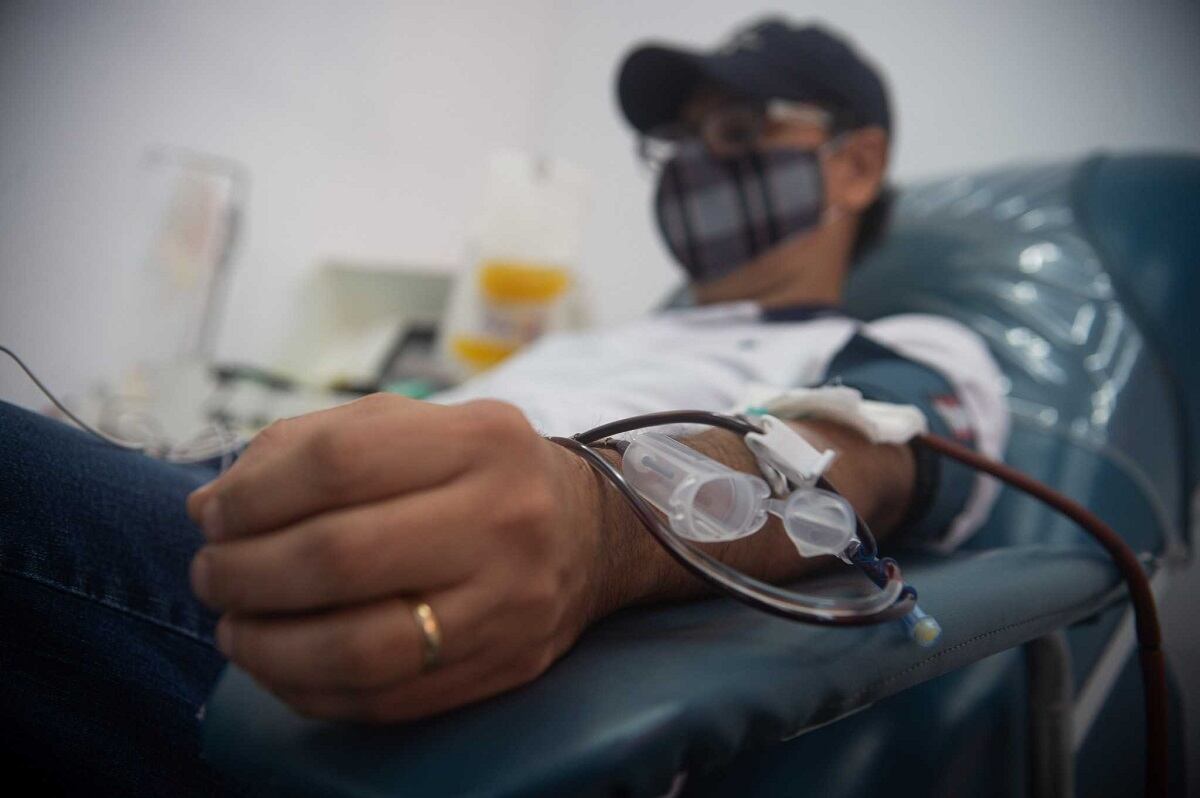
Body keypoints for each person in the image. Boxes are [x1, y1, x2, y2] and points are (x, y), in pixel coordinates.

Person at [0, 17, 1007, 795]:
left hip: (372, 615)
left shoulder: (905, 346)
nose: (700, 163)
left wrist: (600, 524)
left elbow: (867, 460)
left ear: (857, 164)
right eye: (679, 143)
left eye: (739, 133)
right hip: (253, 505)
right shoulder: (595, 340)